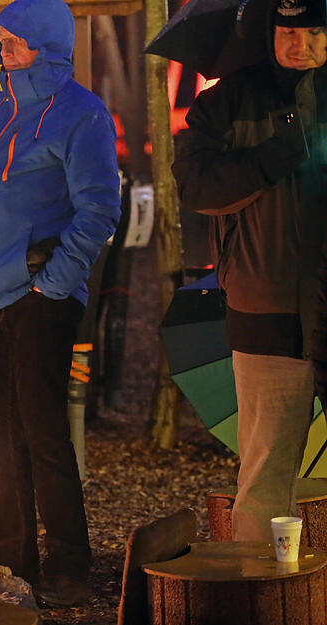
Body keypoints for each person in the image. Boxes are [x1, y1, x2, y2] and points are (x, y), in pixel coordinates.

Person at [0, 0, 120, 607]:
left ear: (46, 44)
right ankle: (15, 560)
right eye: (1, 40)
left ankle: (69, 563)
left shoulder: (80, 113)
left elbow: (99, 209)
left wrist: (53, 283)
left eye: (14, 41)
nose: (1, 49)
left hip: (39, 296)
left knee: (43, 432)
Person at [174, 0, 327, 544]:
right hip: (266, 311)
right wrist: (271, 158)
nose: (300, 43)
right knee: (265, 476)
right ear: (267, 30)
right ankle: (261, 597)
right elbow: (196, 188)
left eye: (314, 30)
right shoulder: (225, 103)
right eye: (289, 30)